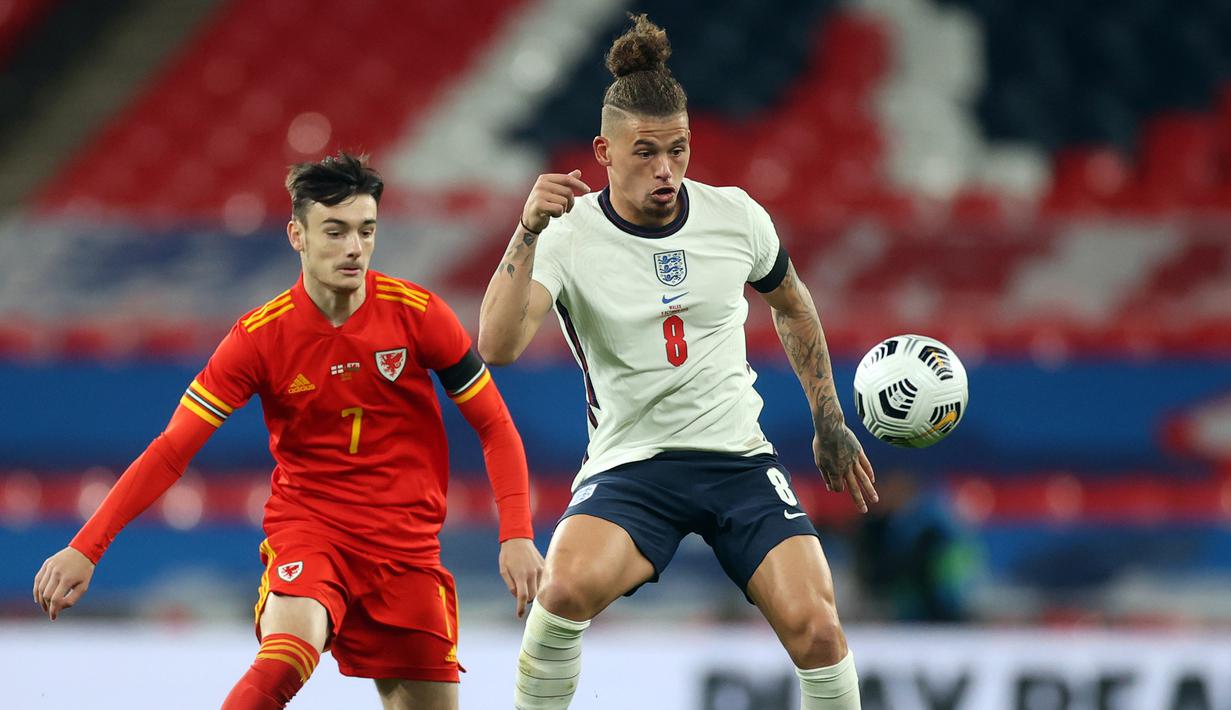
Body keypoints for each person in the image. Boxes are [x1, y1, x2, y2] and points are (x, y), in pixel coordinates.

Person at [32, 152, 544, 710]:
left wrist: (516, 533)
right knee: (287, 656)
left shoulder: (420, 315)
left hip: (408, 550)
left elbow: (495, 425)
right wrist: (86, 547)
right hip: (312, 532)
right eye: (335, 231)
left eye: (366, 230)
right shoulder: (258, 338)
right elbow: (173, 449)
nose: (354, 247)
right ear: (297, 235)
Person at [479, 14, 878, 710]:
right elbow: (496, 347)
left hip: (739, 463)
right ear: (604, 152)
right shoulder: (568, 235)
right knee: (563, 591)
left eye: (678, 149)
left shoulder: (736, 217)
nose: (665, 169)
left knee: (818, 630)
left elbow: (792, 305)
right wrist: (527, 229)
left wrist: (828, 419)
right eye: (645, 153)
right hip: (633, 467)